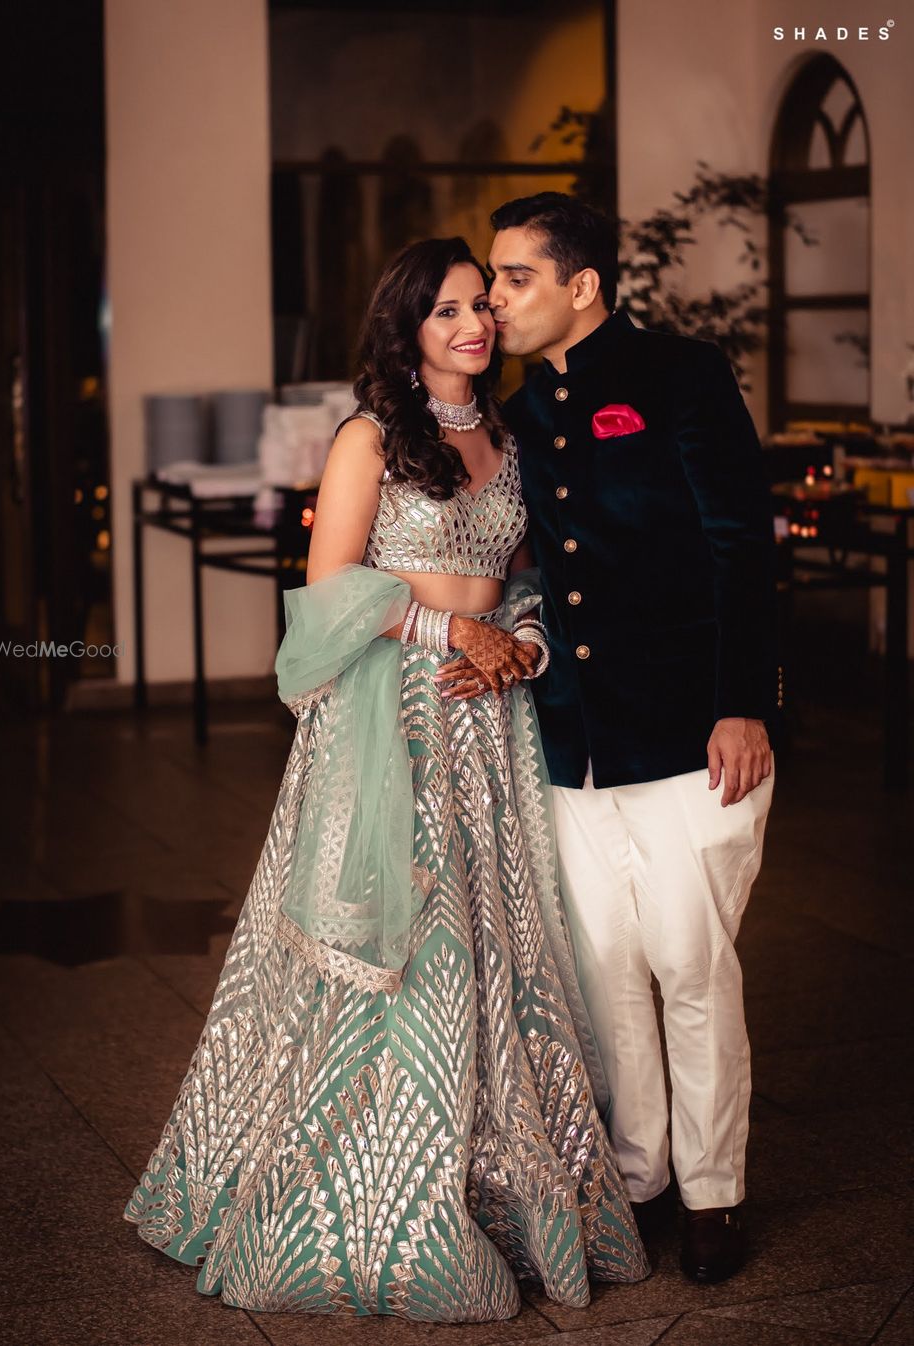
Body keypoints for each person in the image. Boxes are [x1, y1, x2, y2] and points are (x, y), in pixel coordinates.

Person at [124, 236, 649, 1321]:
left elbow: (533, 580)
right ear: (407, 325)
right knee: (404, 933)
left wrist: (523, 644)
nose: (474, 324)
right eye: (448, 308)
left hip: (490, 720)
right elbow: (326, 596)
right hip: (396, 717)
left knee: (500, 943)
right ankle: (366, 1187)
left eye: (482, 307)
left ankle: (499, 1178)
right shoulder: (370, 437)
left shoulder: (509, 436)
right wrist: (450, 626)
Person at [484, 192, 779, 1285]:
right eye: (494, 277)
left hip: (695, 730)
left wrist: (745, 698)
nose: (498, 298)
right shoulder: (517, 408)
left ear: (581, 285)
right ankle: (639, 1171)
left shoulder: (681, 375)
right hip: (575, 737)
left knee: (690, 964)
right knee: (606, 965)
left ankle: (712, 1192)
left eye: (516, 276)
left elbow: (739, 544)